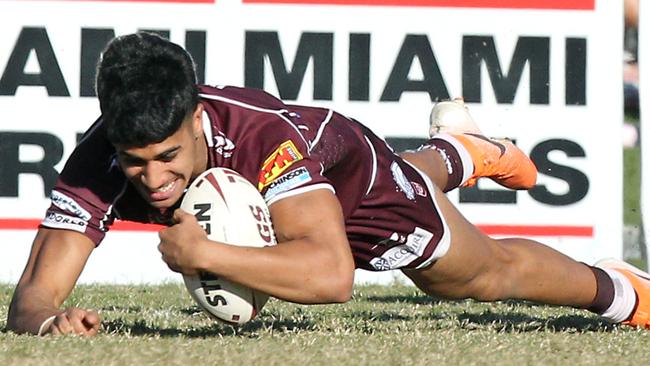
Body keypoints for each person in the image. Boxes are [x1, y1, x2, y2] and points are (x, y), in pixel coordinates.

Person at [6, 32, 650, 337]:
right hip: (302, 190)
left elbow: (330, 277)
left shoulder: (264, 138)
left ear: (198, 118)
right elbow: (31, 295)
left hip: (348, 175)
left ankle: (625, 293)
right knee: (413, 193)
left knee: (475, 276)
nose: (154, 180)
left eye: (169, 156)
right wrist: (47, 325)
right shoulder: (103, 155)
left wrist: (203, 254)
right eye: (134, 162)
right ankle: (458, 151)